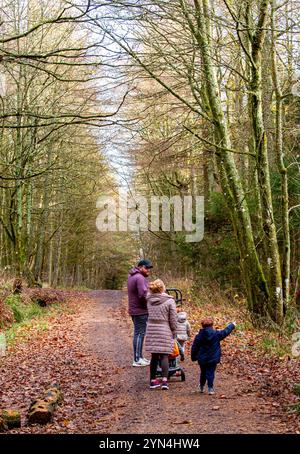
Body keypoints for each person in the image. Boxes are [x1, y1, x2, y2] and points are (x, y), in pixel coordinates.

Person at [145, 279, 177, 390]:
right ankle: (164, 381)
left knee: (154, 356)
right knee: (164, 355)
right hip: (164, 328)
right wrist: (174, 330)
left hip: (151, 328)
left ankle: (153, 381)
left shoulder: (149, 300)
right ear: (163, 288)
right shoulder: (169, 300)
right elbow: (173, 318)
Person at [191, 317, 236, 395]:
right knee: (211, 372)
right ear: (212, 325)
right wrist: (232, 325)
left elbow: (195, 347)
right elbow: (225, 331)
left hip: (202, 358)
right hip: (213, 358)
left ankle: (201, 386)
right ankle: (210, 388)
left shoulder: (199, 336)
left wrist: (193, 356)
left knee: (203, 372)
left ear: (202, 326)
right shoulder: (216, 334)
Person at [127, 259, 153, 367]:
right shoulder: (139, 277)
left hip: (136, 309)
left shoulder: (133, 276)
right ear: (141, 267)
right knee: (139, 334)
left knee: (140, 333)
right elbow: (143, 294)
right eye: (146, 268)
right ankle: (137, 359)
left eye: (149, 269)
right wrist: (152, 302)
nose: (148, 270)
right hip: (139, 310)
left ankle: (140, 357)